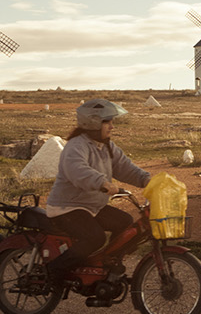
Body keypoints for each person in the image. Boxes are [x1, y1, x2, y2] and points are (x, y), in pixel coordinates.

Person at [44, 98, 152, 284]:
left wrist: (148, 180)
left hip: (92, 207)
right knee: (95, 237)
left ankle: (106, 264)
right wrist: (102, 183)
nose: (112, 126)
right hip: (67, 208)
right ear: (93, 123)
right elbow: (77, 170)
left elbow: (126, 168)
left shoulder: (107, 147)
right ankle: (53, 272)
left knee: (125, 222)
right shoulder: (76, 146)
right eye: (107, 122)